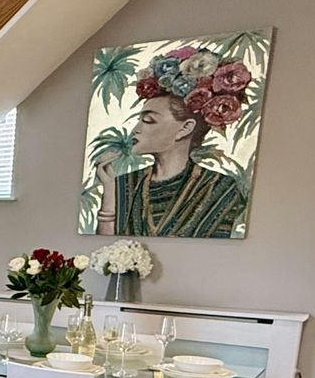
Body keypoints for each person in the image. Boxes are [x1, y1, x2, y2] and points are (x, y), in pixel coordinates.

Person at [92, 45, 254, 239]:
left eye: (149, 120)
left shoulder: (220, 187)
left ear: (185, 128)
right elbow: (106, 251)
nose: (136, 129)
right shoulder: (125, 183)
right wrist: (110, 192)